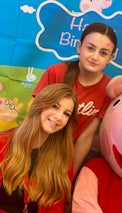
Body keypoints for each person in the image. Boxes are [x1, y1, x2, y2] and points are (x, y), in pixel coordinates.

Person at [32, 22, 117, 177]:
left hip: (65, 157)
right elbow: (34, 115)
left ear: (111, 58)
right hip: (38, 147)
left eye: (103, 53)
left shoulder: (108, 89)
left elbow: (86, 137)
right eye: (90, 48)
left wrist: (69, 178)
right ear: (79, 47)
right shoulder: (56, 72)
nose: (95, 57)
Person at [0, 83, 78, 213]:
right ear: (40, 104)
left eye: (66, 114)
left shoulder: (62, 160)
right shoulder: (4, 144)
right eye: (55, 106)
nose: (58, 117)